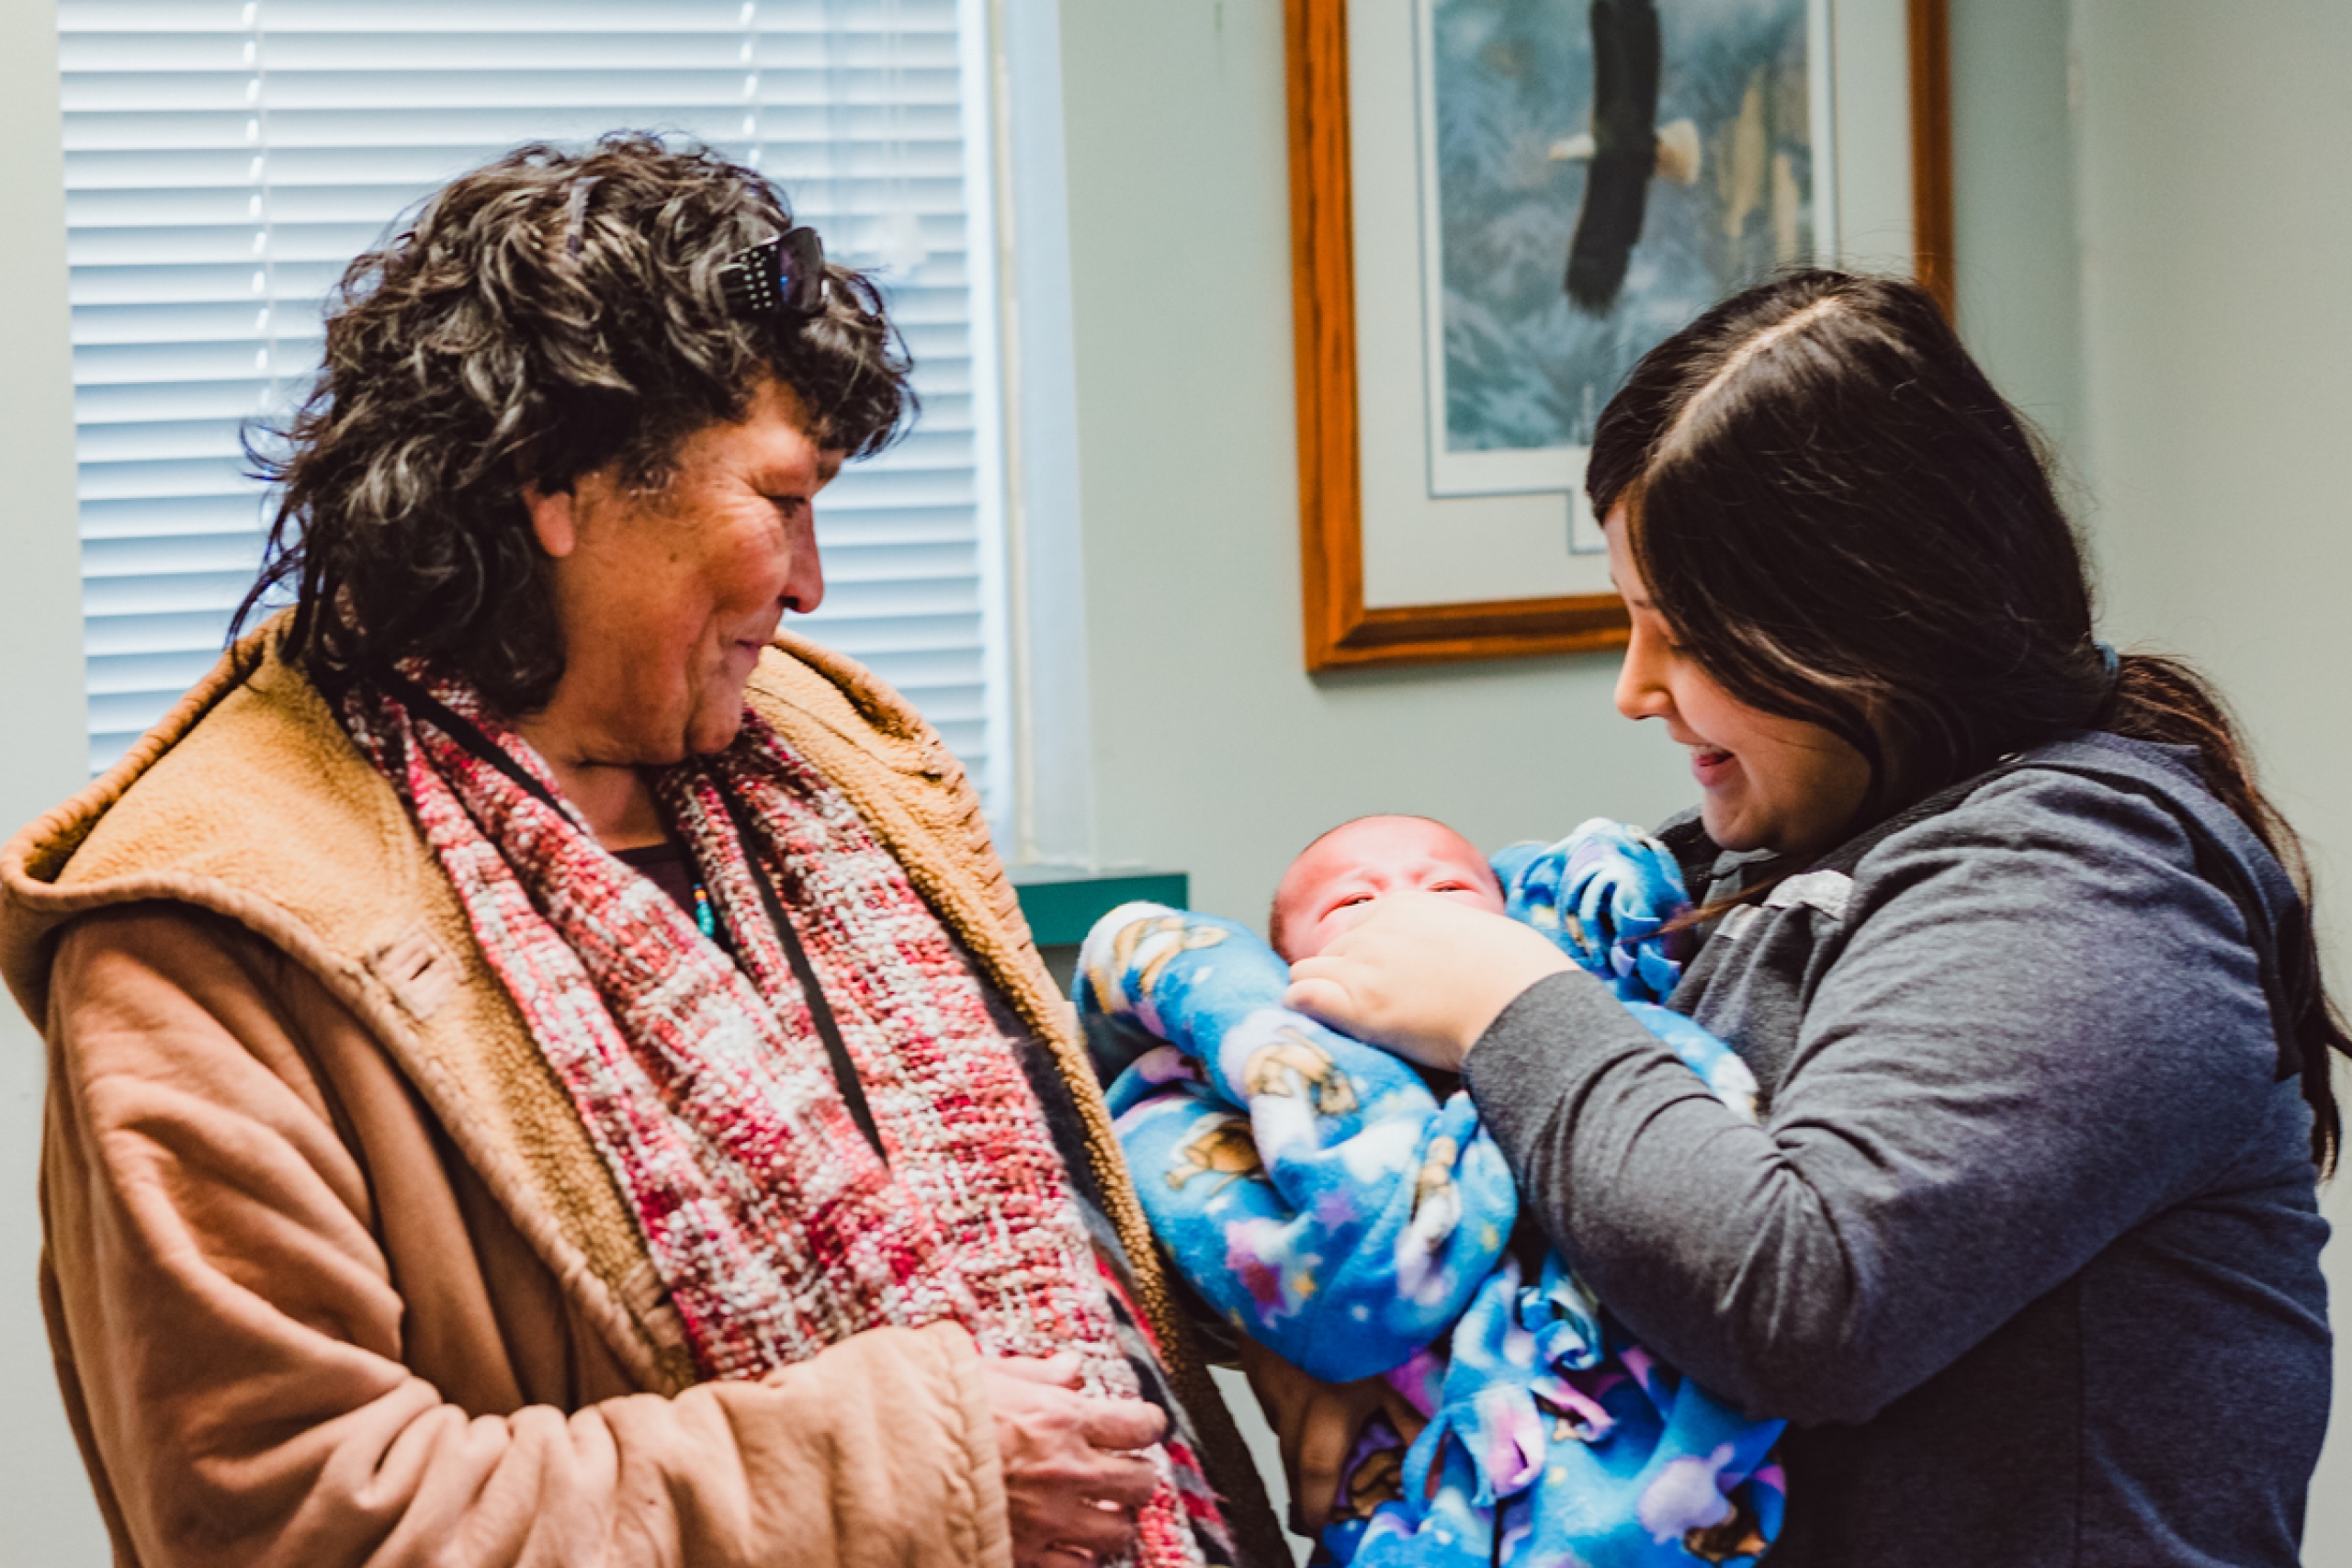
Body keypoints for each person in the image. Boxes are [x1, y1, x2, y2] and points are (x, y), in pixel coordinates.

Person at [0, 136, 1284, 1568]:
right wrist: (900, 1471)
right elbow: (290, 1518)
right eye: (780, 502)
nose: (810, 582)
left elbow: (1060, 1215)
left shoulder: (832, 750)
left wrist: (1317, 1329)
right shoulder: (211, 930)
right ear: (560, 482)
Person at [1281, 271, 2342, 1565]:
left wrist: (1509, 1004)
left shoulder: (2088, 890)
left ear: (1864, 625)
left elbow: (1809, 1294)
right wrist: (1359, 1348)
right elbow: (1602, 1205)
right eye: (1632, 622)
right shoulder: (1767, 864)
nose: (1634, 690)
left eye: (1684, 636)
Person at [1083, 816, 1781, 1566]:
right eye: (1351, 903)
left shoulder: (1610, 1025)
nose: (1409, 906)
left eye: (1450, 887)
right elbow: (1216, 1233)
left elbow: (1717, 1159)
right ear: (1290, 977)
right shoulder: (1257, 1095)